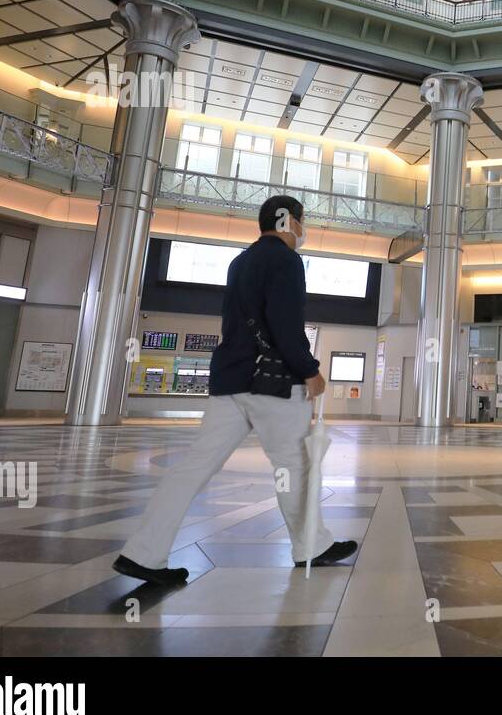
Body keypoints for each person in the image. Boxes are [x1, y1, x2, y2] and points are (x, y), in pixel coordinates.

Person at [114, 196, 358, 585]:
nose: (301, 229)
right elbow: (284, 322)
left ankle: (142, 553)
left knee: (194, 467)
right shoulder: (287, 261)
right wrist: (310, 370)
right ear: (287, 221)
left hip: (229, 381)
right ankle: (311, 546)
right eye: (300, 221)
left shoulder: (240, 261)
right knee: (295, 466)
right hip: (273, 384)